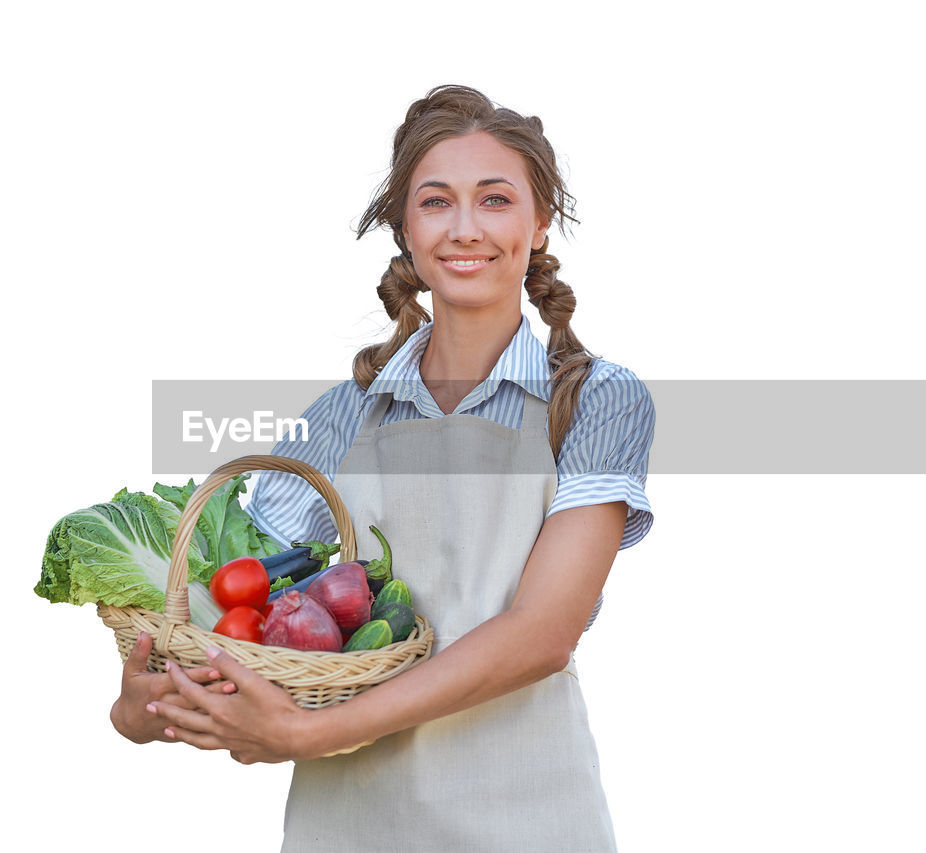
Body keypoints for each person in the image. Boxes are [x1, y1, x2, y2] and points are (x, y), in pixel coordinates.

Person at [110, 84, 655, 851]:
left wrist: (310, 734)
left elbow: (543, 633)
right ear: (405, 227)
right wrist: (149, 706)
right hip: (349, 822)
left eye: (495, 200)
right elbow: (248, 613)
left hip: (525, 814)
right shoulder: (343, 412)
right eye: (436, 203)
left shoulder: (597, 399)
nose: (466, 228)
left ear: (539, 227)